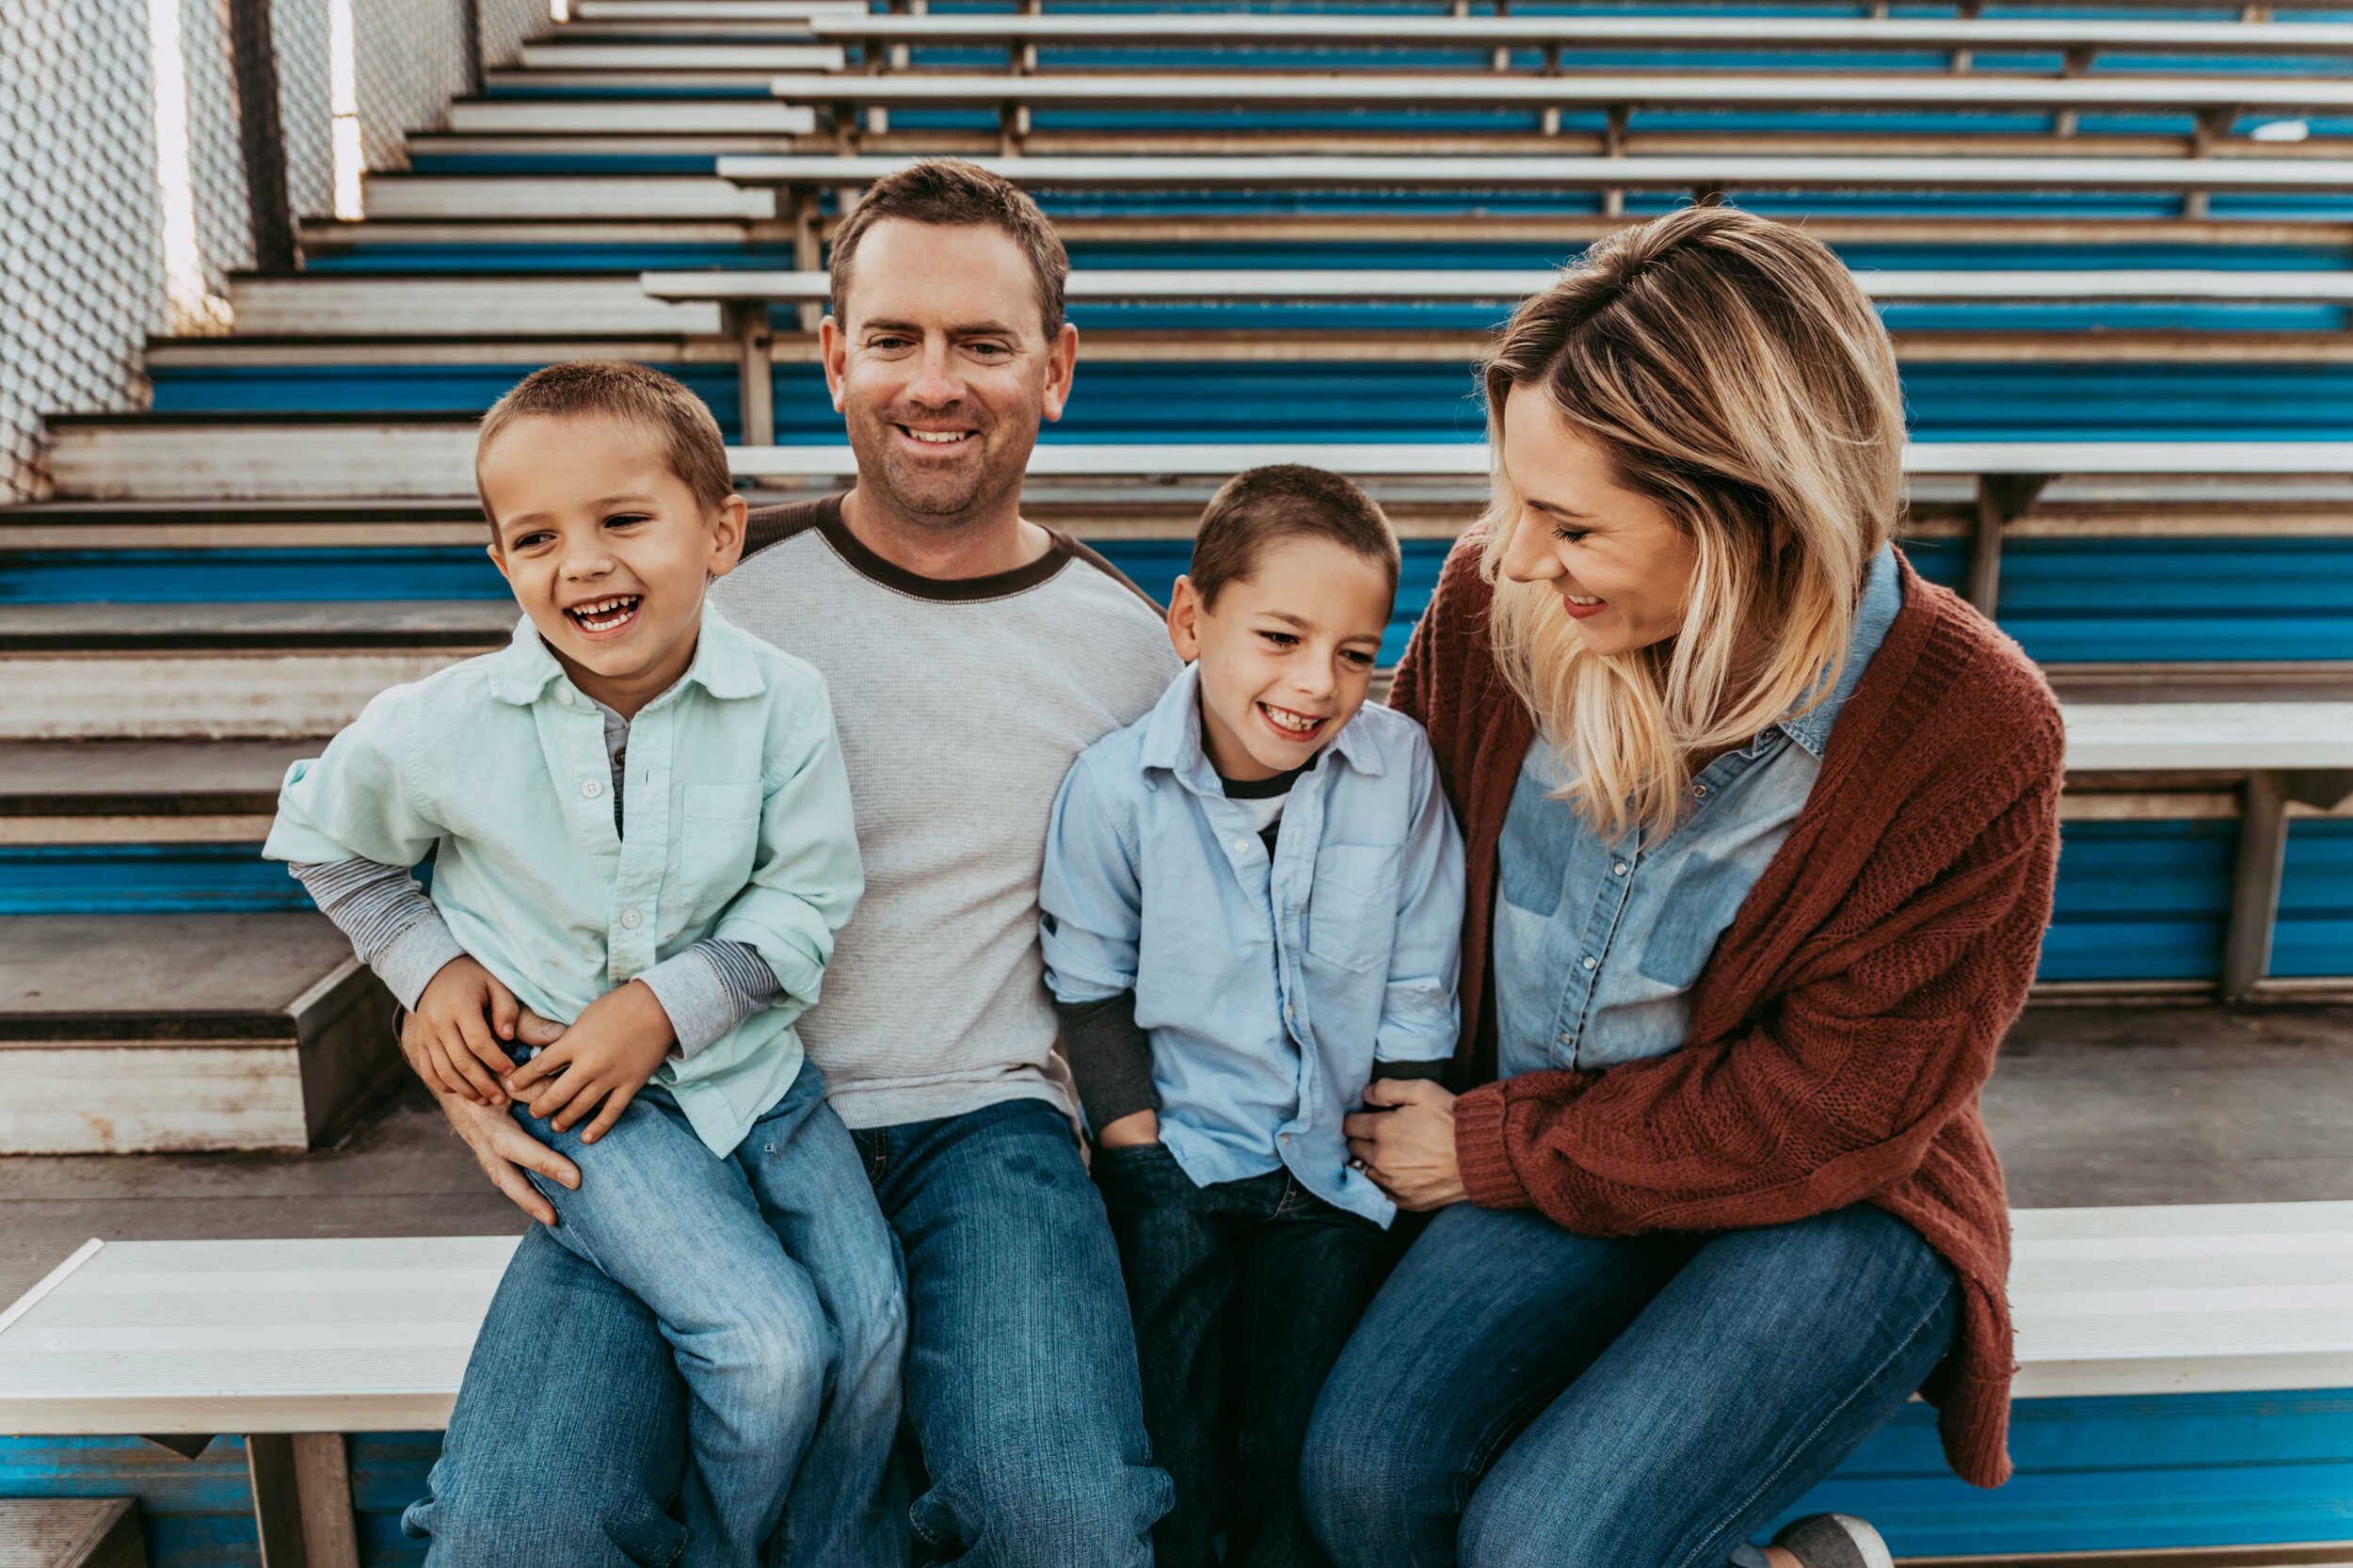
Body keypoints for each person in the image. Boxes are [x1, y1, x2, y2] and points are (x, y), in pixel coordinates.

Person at [393, 159, 1181, 1568]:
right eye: (894, 339)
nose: (934, 382)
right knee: (517, 1526)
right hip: (682, 1113)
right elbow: (482, 824)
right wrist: (435, 997)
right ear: (833, 358)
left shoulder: (1125, 645)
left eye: (982, 343)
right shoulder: (694, 601)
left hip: (982, 1128)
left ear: (1055, 370)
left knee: (1067, 1520)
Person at [1303, 203, 2067, 1568]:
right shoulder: (1494, 606)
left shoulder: (1970, 729)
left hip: (1835, 1195)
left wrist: (1488, 1149)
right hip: (1560, 1153)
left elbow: (1834, 1104)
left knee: (1547, 1546)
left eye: (1572, 524)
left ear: (1749, 518)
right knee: (1365, 1474)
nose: (1518, 555)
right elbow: (1372, 859)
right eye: (1514, 501)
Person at [265, 360, 904, 1568]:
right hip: (572, 1104)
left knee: (869, 1329)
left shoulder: (782, 701)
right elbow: (323, 839)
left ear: (719, 534)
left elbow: (809, 895)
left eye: (623, 520)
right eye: (537, 536)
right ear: (501, 563)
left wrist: (666, 1007)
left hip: (756, 1078)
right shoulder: (441, 724)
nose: (584, 563)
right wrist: (428, 964)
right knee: (767, 1344)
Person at [1039, 465, 1465, 1568]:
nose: (1316, 683)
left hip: (1334, 1170)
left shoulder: (1397, 766)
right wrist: (1139, 1155)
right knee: (1173, 1430)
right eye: (1279, 637)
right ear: (1190, 619)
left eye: (1355, 653)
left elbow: (1420, 969)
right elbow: (1088, 987)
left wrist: (1398, 1122)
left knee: (1292, 1440)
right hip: (1180, 1156)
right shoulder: (1113, 789)